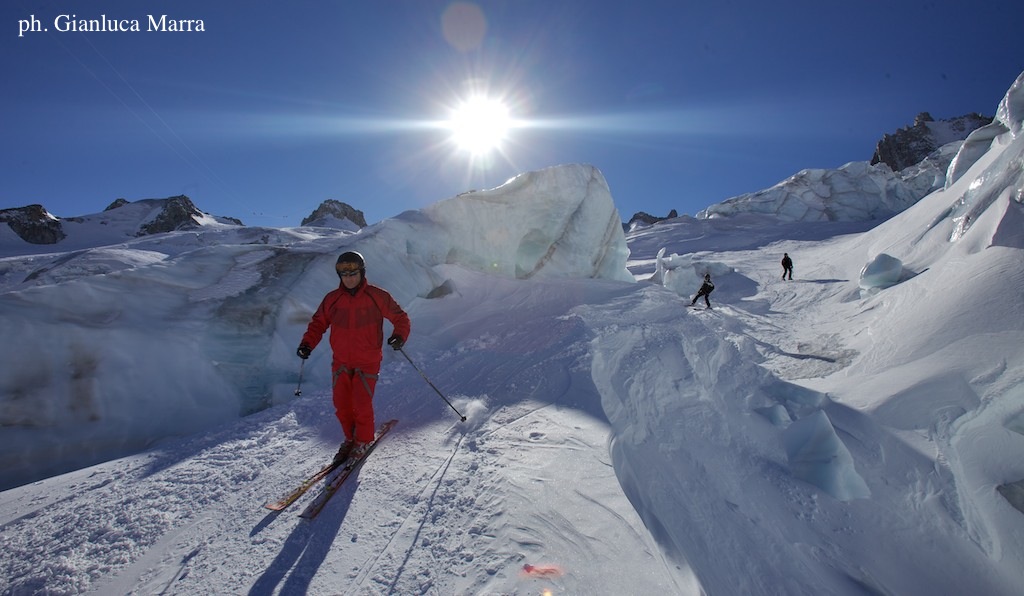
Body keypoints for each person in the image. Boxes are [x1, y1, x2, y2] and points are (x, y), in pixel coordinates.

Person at [297, 251, 411, 463]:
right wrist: (307, 343)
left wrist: (399, 336)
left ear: (361, 272)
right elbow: (318, 323)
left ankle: (364, 440)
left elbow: (400, 318)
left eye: (353, 273)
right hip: (341, 361)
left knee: (361, 404)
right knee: (342, 405)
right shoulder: (332, 299)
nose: (349, 278)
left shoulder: (377, 296)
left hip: (367, 361)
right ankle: (350, 439)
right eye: (344, 274)